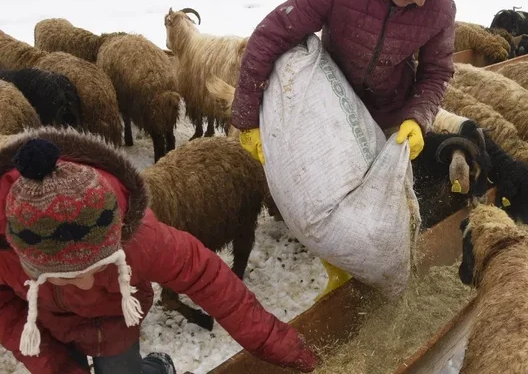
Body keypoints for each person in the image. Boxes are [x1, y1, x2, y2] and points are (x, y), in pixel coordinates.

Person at [231, 0, 458, 299]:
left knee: (384, 212)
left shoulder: (440, 9)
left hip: (387, 119)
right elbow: (270, 35)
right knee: (324, 203)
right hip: (329, 112)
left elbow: (437, 73)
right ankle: (338, 268)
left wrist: (418, 117)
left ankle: (385, 279)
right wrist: (247, 120)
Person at [0, 129, 317, 374]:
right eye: (64, 276)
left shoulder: (137, 236)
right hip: (39, 325)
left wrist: (276, 343)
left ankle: (158, 366)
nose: (84, 283)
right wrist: (57, 368)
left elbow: (206, 276)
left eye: (98, 267)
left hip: (114, 319)